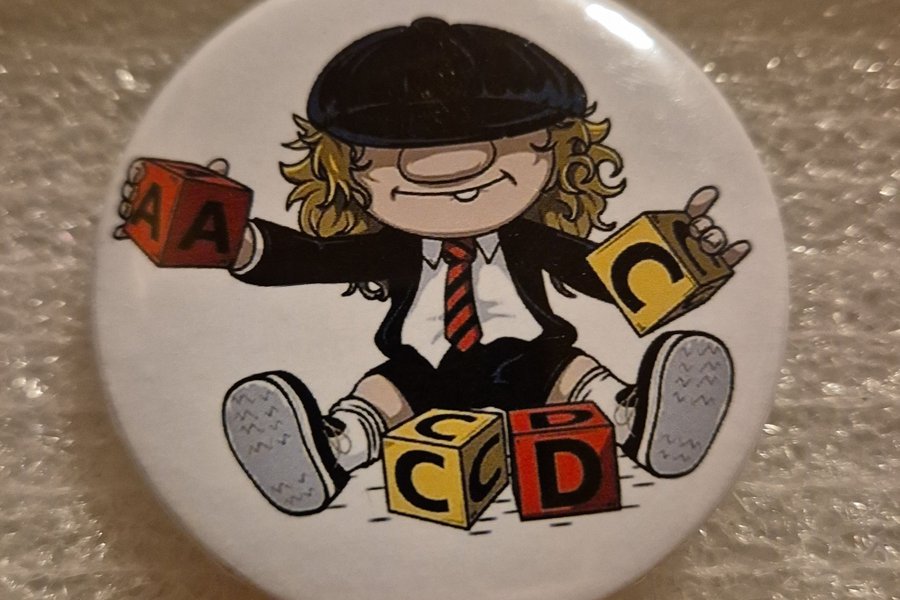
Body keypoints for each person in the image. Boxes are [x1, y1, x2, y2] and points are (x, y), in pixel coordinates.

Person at [119, 18, 750, 516]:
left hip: (532, 363)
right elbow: (311, 258)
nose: (457, 169)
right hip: (420, 373)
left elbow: (610, 274)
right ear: (345, 172)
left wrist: (689, 263)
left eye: (503, 141)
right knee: (381, 394)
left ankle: (637, 420)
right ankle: (333, 451)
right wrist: (230, 238)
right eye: (397, 150)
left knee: (574, 373)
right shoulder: (390, 250)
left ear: (555, 151)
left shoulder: (532, 241)